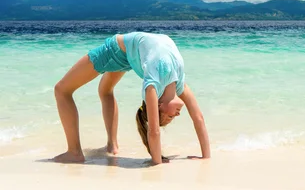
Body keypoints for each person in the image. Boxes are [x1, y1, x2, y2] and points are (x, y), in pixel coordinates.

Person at [52, 32, 210, 165]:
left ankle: (85, 151)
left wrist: (156, 164)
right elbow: (198, 118)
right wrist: (206, 156)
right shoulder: (178, 82)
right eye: (170, 117)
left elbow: (154, 131)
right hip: (122, 52)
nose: (176, 115)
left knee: (65, 90)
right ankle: (100, 148)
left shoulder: (152, 86)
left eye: (169, 116)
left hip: (123, 54)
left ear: (158, 104)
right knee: (87, 90)